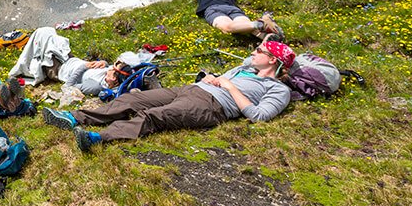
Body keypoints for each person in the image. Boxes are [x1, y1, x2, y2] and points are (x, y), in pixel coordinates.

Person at [43, 40, 296, 151]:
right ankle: (75, 118)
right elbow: (223, 78)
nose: (254, 52)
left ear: (272, 60)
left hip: (212, 105)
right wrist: (209, 77)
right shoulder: (245, 68)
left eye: (260, 50)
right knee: (133, 99)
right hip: (191, 90)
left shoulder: (278, 90)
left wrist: (229, 87)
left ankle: (98, 137)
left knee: (154, 116)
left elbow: (259, 115)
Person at [9, 26, 133, 95]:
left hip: (58, 69)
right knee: (49, 33)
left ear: (114, 79)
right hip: (70, 59)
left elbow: (69, 85)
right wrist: (103, 63)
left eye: (113, 69)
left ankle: (22, 64)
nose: (111, 67)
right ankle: (26, 44)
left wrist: (85, 67)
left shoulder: (95, 86)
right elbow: (107, 66)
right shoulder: (108, 73)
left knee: (42, 36)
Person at [191, 0, 283, 39]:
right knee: (245, 26)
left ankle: (260, 24)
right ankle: (268, 37)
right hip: (232, 8)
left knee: (227, 28)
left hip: (213, 8)